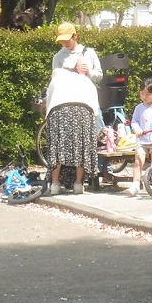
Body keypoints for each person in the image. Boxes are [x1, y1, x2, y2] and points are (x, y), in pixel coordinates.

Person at [45, 22, 102, 196]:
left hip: (84, 98)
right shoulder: (58, 57)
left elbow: (99, 75)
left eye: (67, 40)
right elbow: (55, 78)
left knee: (82, 142)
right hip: (63, 99)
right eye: (61, 40)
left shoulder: (88, 52)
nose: (64, 43)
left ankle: (80, 182)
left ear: (75, 36)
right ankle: (56, 183)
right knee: (60, 144)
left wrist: (88, 71)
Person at [126, 78, 152, 196]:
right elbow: (134, 121)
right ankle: (136, 184)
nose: (144, 97)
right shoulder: (139, 108)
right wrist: (137, 129)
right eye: (142, 93)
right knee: (138, 162)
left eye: (147, 94)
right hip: (142, 140)